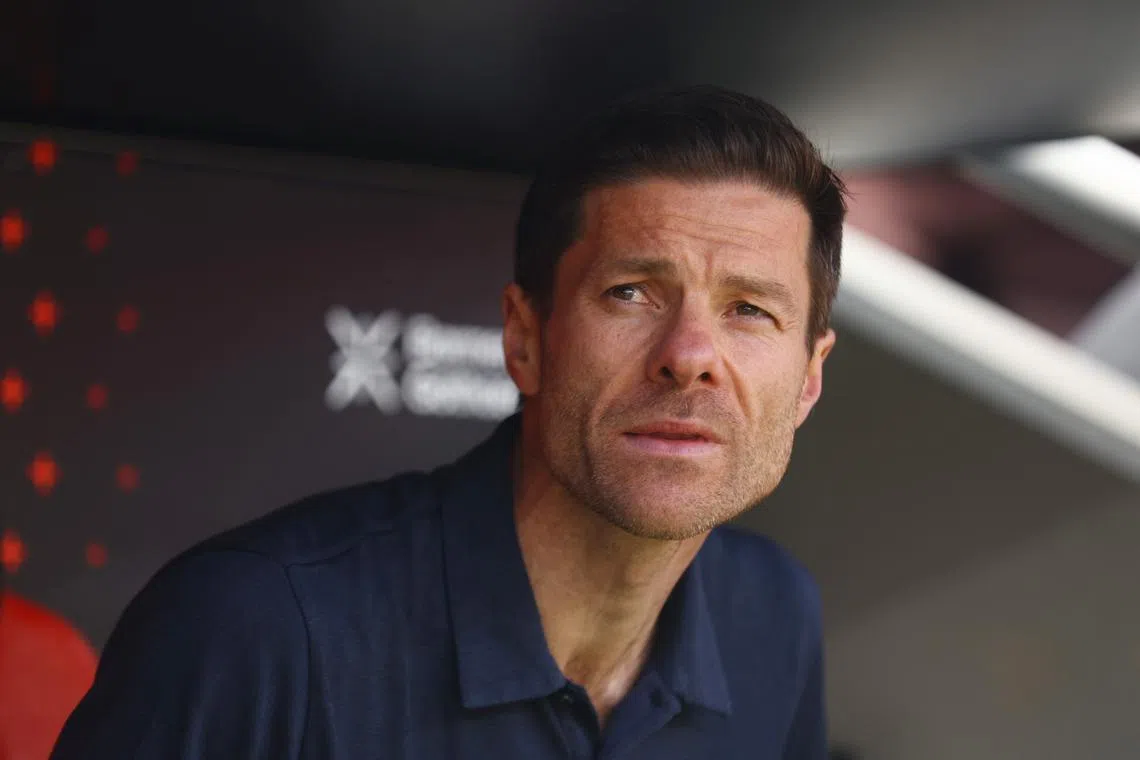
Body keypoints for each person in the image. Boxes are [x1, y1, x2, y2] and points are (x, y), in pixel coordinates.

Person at [51, 85, 846, 759]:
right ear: (524, 338)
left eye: (750, 310)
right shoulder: (251, 630)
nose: (690, 355)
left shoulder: (774, 618)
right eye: (631, 292)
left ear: (809, 380)